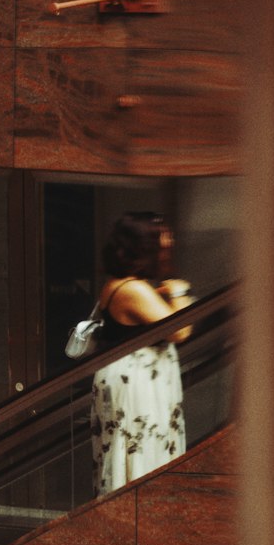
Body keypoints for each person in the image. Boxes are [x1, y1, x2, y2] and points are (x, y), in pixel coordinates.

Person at [89, 212, 194, 495]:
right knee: (140, 450)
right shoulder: (132, 289)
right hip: (136, 388)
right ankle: (137, 517)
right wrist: (178, 292)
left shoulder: (123, 284)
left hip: (134, 382)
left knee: (137, 449)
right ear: (144, 246)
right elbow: (180, 331)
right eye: (163, 239)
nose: (169, 243)